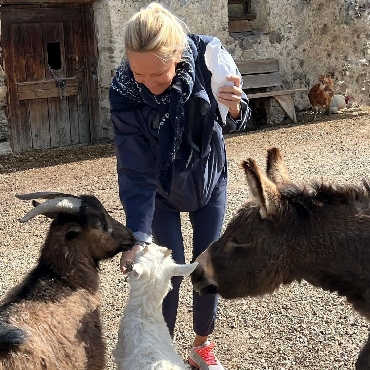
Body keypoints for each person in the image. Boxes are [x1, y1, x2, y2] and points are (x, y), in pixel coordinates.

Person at [109, 3, 250, 369]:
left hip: (208, 181)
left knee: (207, 268)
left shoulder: (207, 60)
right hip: (162, 191)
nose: (147, 84)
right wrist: (138, 235)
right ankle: (164, 349)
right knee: (163, 276)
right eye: (138, 74)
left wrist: (235, 109)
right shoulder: (125, 90)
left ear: (177, 55)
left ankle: (201, 346)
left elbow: (234, 116)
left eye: (156, 74)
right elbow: (134, 168)